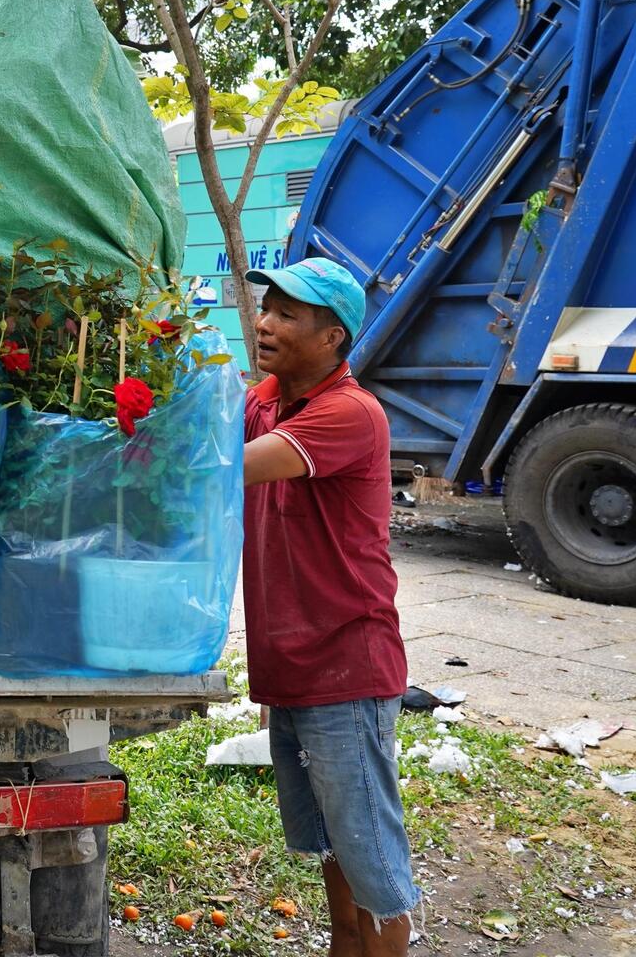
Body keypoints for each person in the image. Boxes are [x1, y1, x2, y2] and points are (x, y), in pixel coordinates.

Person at [240, 257, 417, 956]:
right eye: (267, 308)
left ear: (333, 337)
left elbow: (228, 461)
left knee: (373, 867)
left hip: (347, 668)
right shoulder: (268, 398)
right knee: (338, 853)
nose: (265, 322)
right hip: (296, 668)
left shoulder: (348, 413)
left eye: (287, 314)